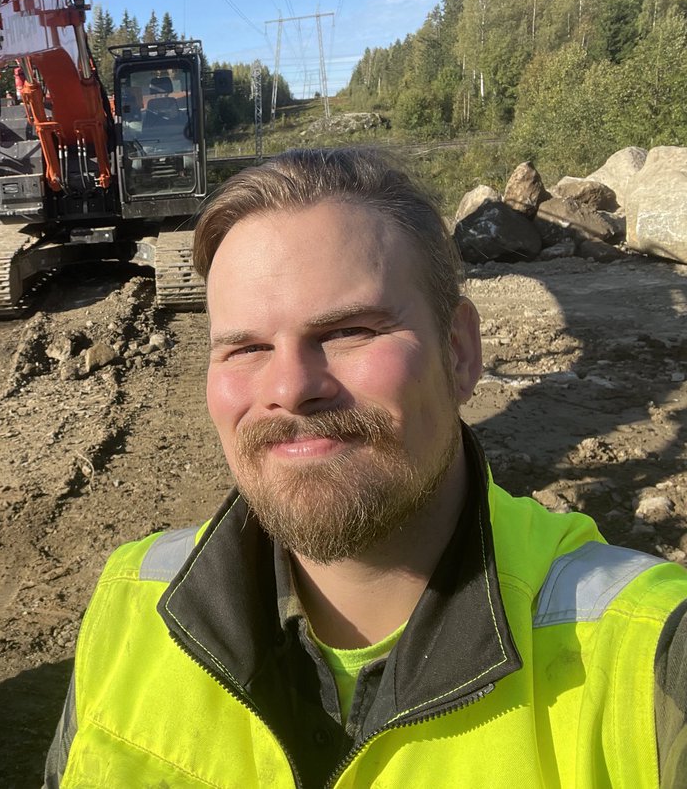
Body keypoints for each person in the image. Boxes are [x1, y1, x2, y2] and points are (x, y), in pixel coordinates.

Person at [45, 147, 687, 788]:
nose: (291, 388)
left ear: (460, 353)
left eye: (350, 331)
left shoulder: (648, 658)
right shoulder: (130, 604)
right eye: (246, 347)